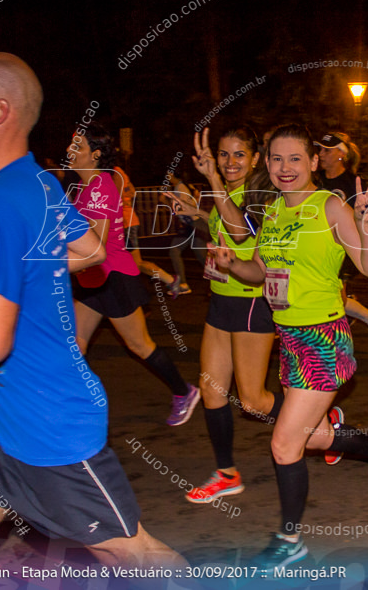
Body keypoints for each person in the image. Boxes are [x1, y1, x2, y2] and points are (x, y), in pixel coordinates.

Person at [0, 52, 185, 568]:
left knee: (134, 557)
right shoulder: (35, 180)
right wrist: (32, 263)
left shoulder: (1, 203)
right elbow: (91, 251)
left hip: (48, 425)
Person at [210, 124, 368, 570]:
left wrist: (365, 223)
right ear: (267, 164)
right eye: (277, 160)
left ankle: (290, 540)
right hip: (289, 339)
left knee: (285, 445)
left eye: (296, 159)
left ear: (314, 163)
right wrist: (232, 264)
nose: (286, 168)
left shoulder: (330, 207)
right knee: (317, 436)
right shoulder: (273, 215)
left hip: (323, 339)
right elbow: (259, 272)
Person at [169, 126, 283, 504]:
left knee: (252, 401)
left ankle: (315, 417)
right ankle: (226, 473)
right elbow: (221, 229)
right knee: (212, 391)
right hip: (220, 299)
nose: (230, 162)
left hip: (251, 301)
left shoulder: (261, 192)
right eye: (223, 154)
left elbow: (239, 234)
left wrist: (213, 182)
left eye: (238, 155)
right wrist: (197, 214)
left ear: (254, 159)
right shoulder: (224, 192)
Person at [66, 124, 200, 426]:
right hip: (91, 278)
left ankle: (184, 390)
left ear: (96, 154)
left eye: (78, 146)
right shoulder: (85, 188)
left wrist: (52, 260)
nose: (69, 151)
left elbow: (95, 246)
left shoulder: (100, 186)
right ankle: (75, 406)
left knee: (140, 345)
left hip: (113, 277)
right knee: (74, 343)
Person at [316, 131, 368, 348]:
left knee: (336, 298)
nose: (320, 154)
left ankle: (336, 344)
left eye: (326, 150)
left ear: (341, 154)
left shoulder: (352, 183)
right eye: (319, 149)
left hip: (345, 250)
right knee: (334, 297)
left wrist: (366, 218)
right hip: (320, 247)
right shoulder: (314, 180)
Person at [112, 163, 181, 294]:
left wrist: (122, 203)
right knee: (119, 260)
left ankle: (171, 281)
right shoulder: (119, 172)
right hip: (126, 221)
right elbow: (132, 192)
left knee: (135, 262)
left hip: (125, 223)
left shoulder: (114, 172)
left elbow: (118, 198)